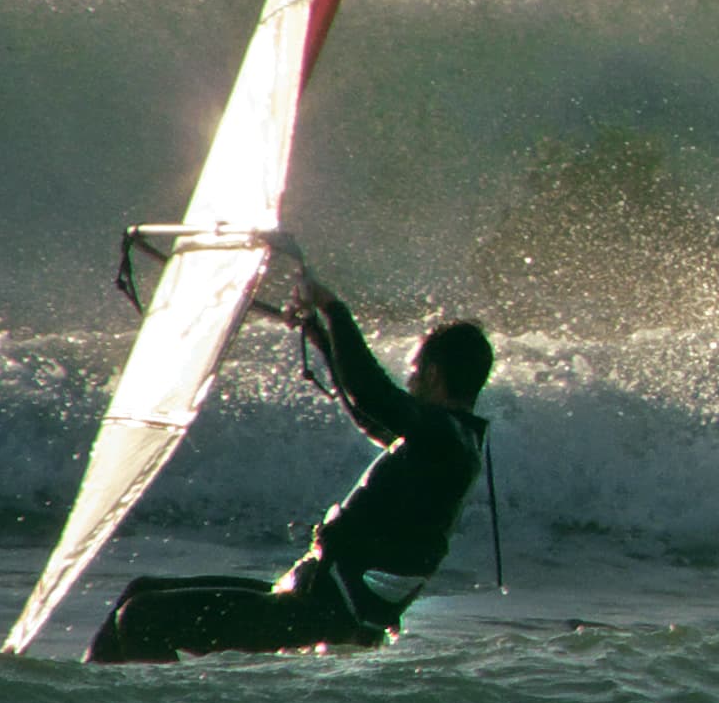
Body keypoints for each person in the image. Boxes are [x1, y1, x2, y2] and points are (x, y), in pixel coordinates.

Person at [87, 265, 492, 665]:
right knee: (139, 592)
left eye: (415, 373)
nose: (409, 383)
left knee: (142, 618)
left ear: (433, 375)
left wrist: (334, 309)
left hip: (323, 614)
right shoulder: (446, 443)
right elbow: (370, 415)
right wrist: (322, 339)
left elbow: (373, 395)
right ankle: (89, 698)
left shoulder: (445, 439)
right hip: (310, 598)